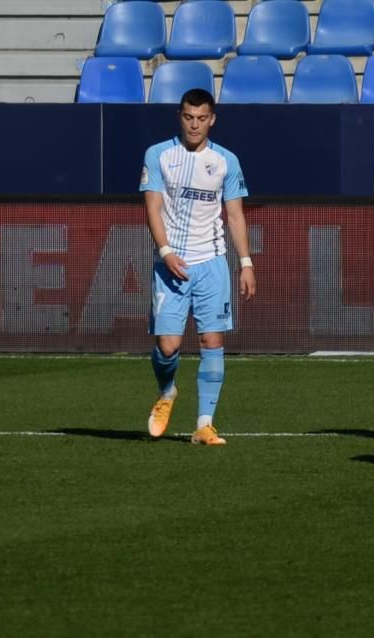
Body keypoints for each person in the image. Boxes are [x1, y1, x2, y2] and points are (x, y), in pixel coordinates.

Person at [141, 88, 256, 446]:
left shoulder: (226, 161)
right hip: (171, 263)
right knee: (168, 346)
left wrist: (246, 263)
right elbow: (152, 207)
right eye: (189, 118)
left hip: (211, 263)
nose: (195, 125)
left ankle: (204, 424)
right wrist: (165, 251)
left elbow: (235, 216)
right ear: (180, 116)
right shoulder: (159, 154)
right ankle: (168, 391)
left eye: (201, 118)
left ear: (212, 119)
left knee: (212, 339)